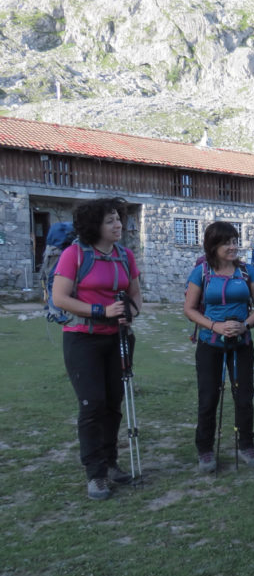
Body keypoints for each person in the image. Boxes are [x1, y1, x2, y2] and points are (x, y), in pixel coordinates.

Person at [50, 197, 143, 500]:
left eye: (118, 219)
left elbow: (135, 294)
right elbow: (61, 298)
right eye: (110, 221)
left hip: (117, 337)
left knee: (114, 403)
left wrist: (131, 313)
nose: (118, 225)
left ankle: (111, 462)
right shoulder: (74, 255)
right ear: (95, 226)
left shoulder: (124, 255)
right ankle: (96, 474)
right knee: (92, 405)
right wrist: (101, 311)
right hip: (82, 338)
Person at [183, 222, 254, 473]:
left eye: (234, 241)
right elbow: (189, 309)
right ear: (213, 246)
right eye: (226, 242)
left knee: (244, 396)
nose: (233, 247)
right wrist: (215, 326)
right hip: (210, 344)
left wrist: (245, 326)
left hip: (242, 343)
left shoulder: (246, 271)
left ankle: (246, 445)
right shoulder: (201, 272)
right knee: (209, 397)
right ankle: (205, 450)